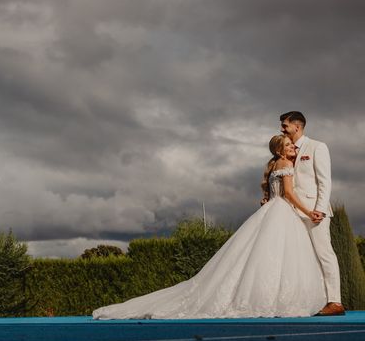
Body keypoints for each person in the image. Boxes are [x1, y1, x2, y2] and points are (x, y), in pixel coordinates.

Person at [92, 134, 326, 319]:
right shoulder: (285, 163)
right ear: (279, 149)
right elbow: (288, 193)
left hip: (270, 212)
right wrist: (308, 211)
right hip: (282, 211)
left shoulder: (274, 164)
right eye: (288, 145)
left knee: (263, 257)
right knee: (280, 258)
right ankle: (276, 298)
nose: (292, 147)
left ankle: (268, 296)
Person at [279, 111, 345, 316]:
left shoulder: (317, 147)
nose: (282, 129)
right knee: (302, 258)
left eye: (285, 126)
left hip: (314, 212)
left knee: (324, 254)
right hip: (292, 213)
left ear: (297, 127)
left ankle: (335, 302)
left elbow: (324, 181)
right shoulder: (284, 152)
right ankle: (312, 301)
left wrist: (320, 209)